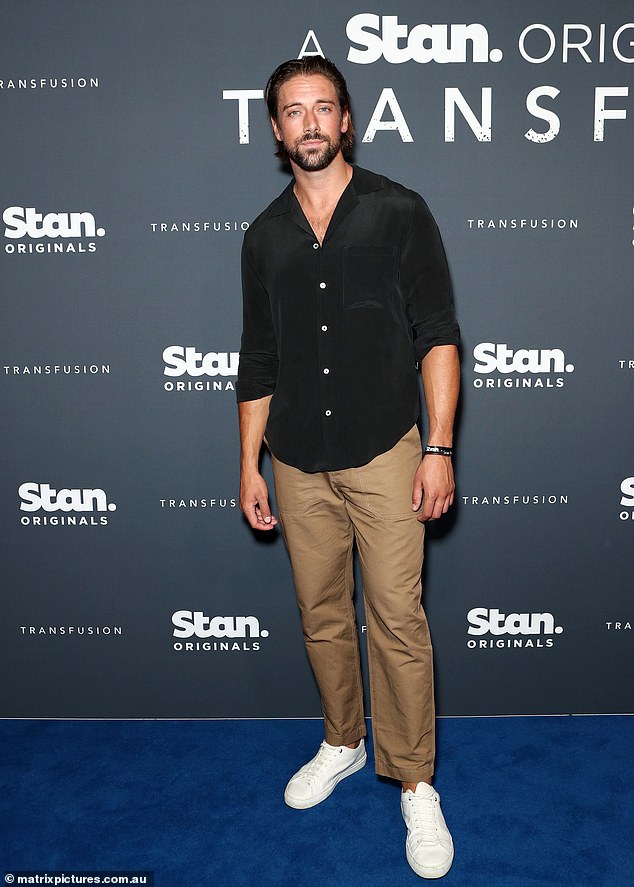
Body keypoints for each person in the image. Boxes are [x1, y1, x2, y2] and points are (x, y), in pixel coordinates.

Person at [236, 56, 460, 880]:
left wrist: (438, 447)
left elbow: (437, 334)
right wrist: (248, 464)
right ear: (275, 129)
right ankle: (342, 739)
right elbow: (257, 360)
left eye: (324, 108)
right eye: (294, 112)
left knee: (397, 618)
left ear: (347, 119)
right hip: (295, 458)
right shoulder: (263, 237)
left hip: (387, 448)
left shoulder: (400, 212)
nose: (311, 124)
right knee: (322, 613)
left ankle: (414, 778)